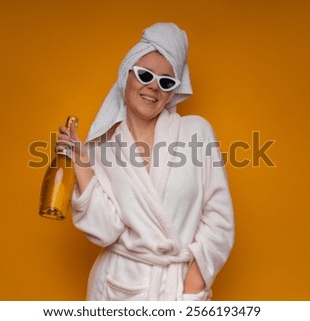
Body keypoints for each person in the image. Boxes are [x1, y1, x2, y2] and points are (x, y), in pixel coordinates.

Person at [58, 22, 235, 300]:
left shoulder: (195, 132)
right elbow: (105, 231)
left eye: (166, 82)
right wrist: (82, 163)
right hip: (117, 287)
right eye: (144, 75)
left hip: (179, 286)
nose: (153, 86)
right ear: (125, 75)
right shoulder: (103, 147)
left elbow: (220, 218)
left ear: (172, 92)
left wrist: (194, 282)